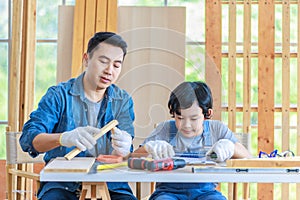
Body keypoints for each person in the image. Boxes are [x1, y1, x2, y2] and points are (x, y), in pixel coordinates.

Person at [20, 32, 137, 200]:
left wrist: (125, 150)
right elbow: (29, 139)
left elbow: (125, 156)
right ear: (86, 59)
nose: (109, 71)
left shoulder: (123, 101)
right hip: (63, 184)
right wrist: (63, 138)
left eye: (116, 65)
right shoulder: (58, 96)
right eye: (103, 61)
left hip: (111, 185)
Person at [131, 81, 252, 200]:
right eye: (180, 118)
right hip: (167, 192)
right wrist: (148, 148)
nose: (186, 125)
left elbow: (248, 157)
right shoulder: (166, 129)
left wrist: (230, 147)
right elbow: (133, 158)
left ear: (207, 114)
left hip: (206, 193)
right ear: (173, 113)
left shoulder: (216, 129)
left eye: (193, 118)